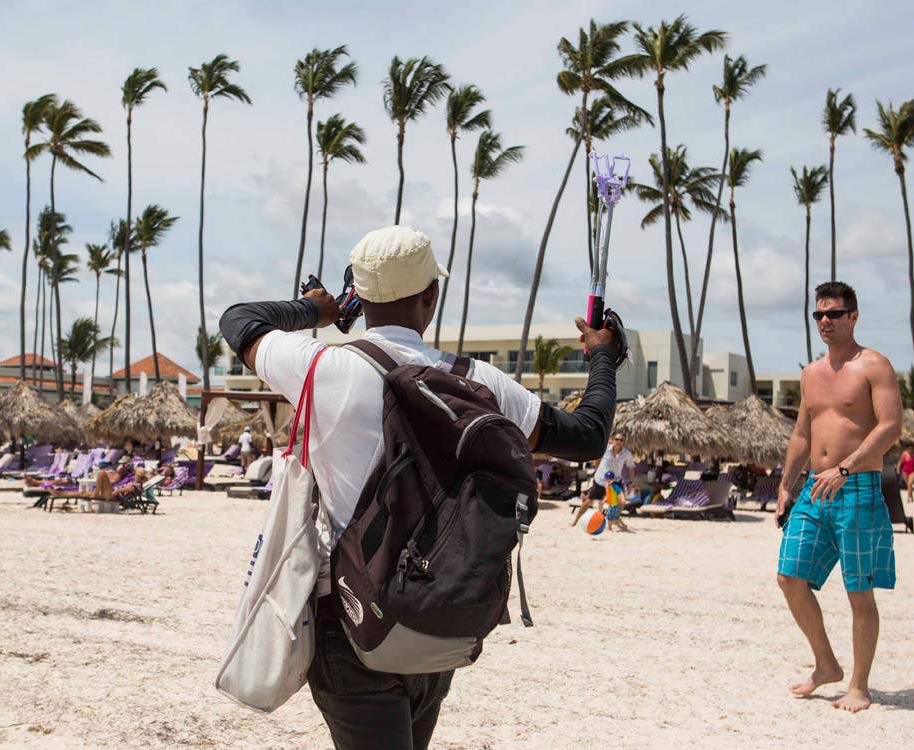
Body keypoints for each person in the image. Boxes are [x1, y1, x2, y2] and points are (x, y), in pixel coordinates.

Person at [219, 225, 620, 749]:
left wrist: (319, 311)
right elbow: (588, 435)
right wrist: (603, 356)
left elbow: (239, 321)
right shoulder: (481, 382)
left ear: (360, 298)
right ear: (431, 297)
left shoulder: (323, 366)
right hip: (440, 613)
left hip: (353, 617)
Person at [775, 281, 902, 714]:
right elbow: (802, 433)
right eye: (818, 315)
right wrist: (786, 484)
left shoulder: (874, 366)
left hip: (857, 488)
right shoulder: (811, 373)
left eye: (833, 313)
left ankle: (859, 686)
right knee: (790, 577)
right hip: (813, 490)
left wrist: (846, 467)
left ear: (853, 316)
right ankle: (826, 664)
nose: (824, 321)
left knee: (858, 593)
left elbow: (890, 427)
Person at [571, 432, 635, 526]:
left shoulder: (627, 454)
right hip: (600, 480)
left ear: (623, 442)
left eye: (621, 440)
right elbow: (596, 460)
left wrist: (630, 482)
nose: (619, 442)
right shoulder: (605, 449)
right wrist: (596, 471)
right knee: (589, 501)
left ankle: (614, 519)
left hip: (614, 482)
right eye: (617, 439)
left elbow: (631, 467)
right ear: (613, 440)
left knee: (621, 502)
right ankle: (575, 521)